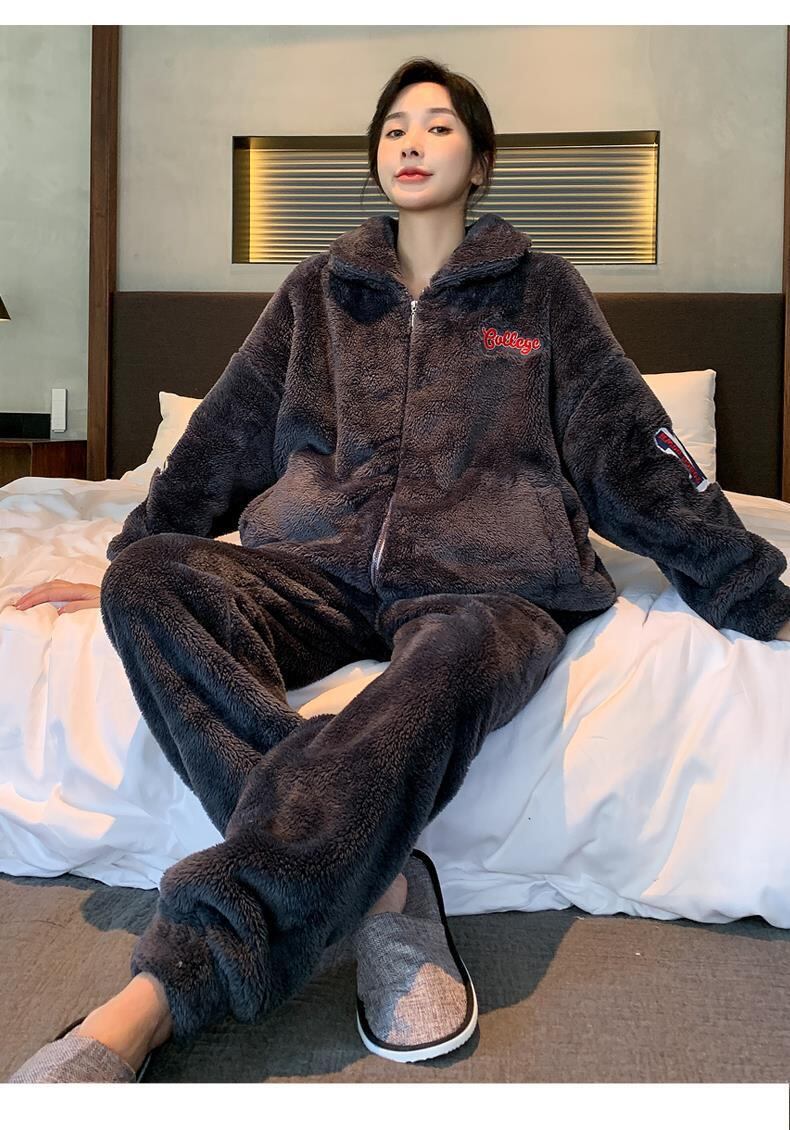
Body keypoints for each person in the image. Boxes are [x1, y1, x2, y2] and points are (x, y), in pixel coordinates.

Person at [9, 56, 790, 1085]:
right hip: (318, 569)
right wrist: (130, 550)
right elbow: (222, 436)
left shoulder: (542, 292)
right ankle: (381, 883)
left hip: (488, 584)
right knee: (149, 582)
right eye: (393, 128)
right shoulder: (317, 293)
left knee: (449, 660)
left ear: (482, 161)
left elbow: (633, 449)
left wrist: (755, 591)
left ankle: (161, 993)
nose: (412, 142)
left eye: (438, 125)